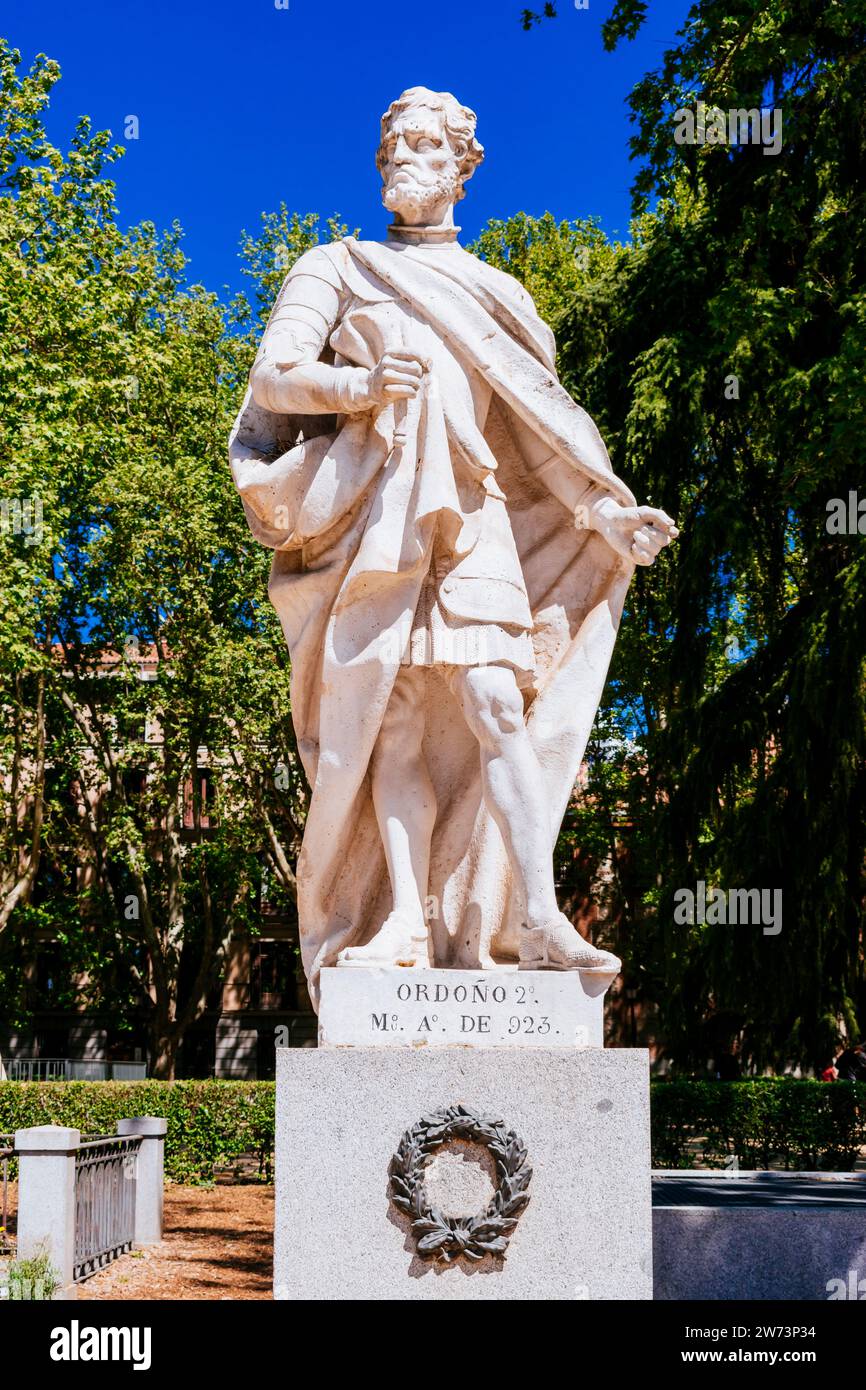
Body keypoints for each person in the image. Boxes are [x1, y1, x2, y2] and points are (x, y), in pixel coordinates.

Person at [230, 87, 678, 1005]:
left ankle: (539, 916)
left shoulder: (501, 296)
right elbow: (275, 375)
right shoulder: (336, 264)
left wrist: (603, 515)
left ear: (463, 169)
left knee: (494, 701)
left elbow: (542, 435)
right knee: (390, 719)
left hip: (475, 522)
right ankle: (402, 921)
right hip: (374, 523)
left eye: (426, 146)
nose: (403, 158)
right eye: (392, 144)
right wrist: (356, 386)